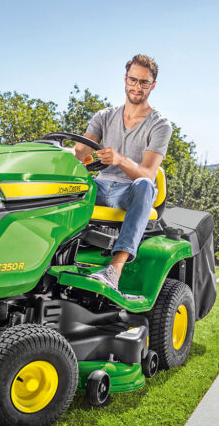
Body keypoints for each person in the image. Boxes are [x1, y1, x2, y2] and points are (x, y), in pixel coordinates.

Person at [73, 54, 172, 291]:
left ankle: (113, 271)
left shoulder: (160, 125)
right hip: (100, 187)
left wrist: (119, 159)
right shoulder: (104, 116)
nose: (137, 87)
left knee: (144, 185)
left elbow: (147, 174)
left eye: (144, 82)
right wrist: (77, 154)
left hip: (130, 192)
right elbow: (80, 150)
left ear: (153, 85)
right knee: (64, 187)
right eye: (133, 80)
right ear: (125, 79)